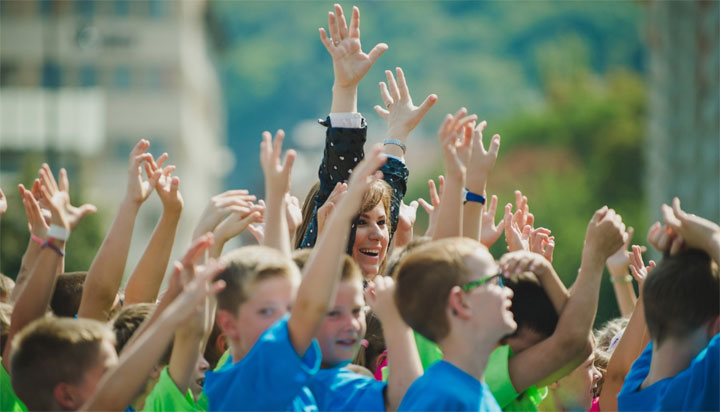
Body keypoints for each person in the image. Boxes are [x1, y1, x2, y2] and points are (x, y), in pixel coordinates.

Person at [203, 130, 388, 410]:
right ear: (229, 326)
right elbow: (307, 304)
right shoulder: (242, 384)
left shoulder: (288, 378)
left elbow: (280, 279)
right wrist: (340, 218)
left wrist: (278, 203)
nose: (286, 318)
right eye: (266, 311)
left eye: (288, 308)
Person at [299, 4, 437, 278]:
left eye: (383, 223)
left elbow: (388, 196)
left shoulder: (380, 294)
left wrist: (398, 134)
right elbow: (342, 177)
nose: (377, 234)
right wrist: (345, 89)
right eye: (361, 222)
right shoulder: (315, 286)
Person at [617, 198, 719, 411]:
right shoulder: (701, 388)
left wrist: (681, 258)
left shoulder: (630, 396)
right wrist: (711, 238)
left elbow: (669, 296)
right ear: (715, 328)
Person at [394, 237, 515, 411]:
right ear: (461, 302)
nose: (508, 291)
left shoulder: (469, 393)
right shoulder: (440, 398)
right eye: (496, 281)